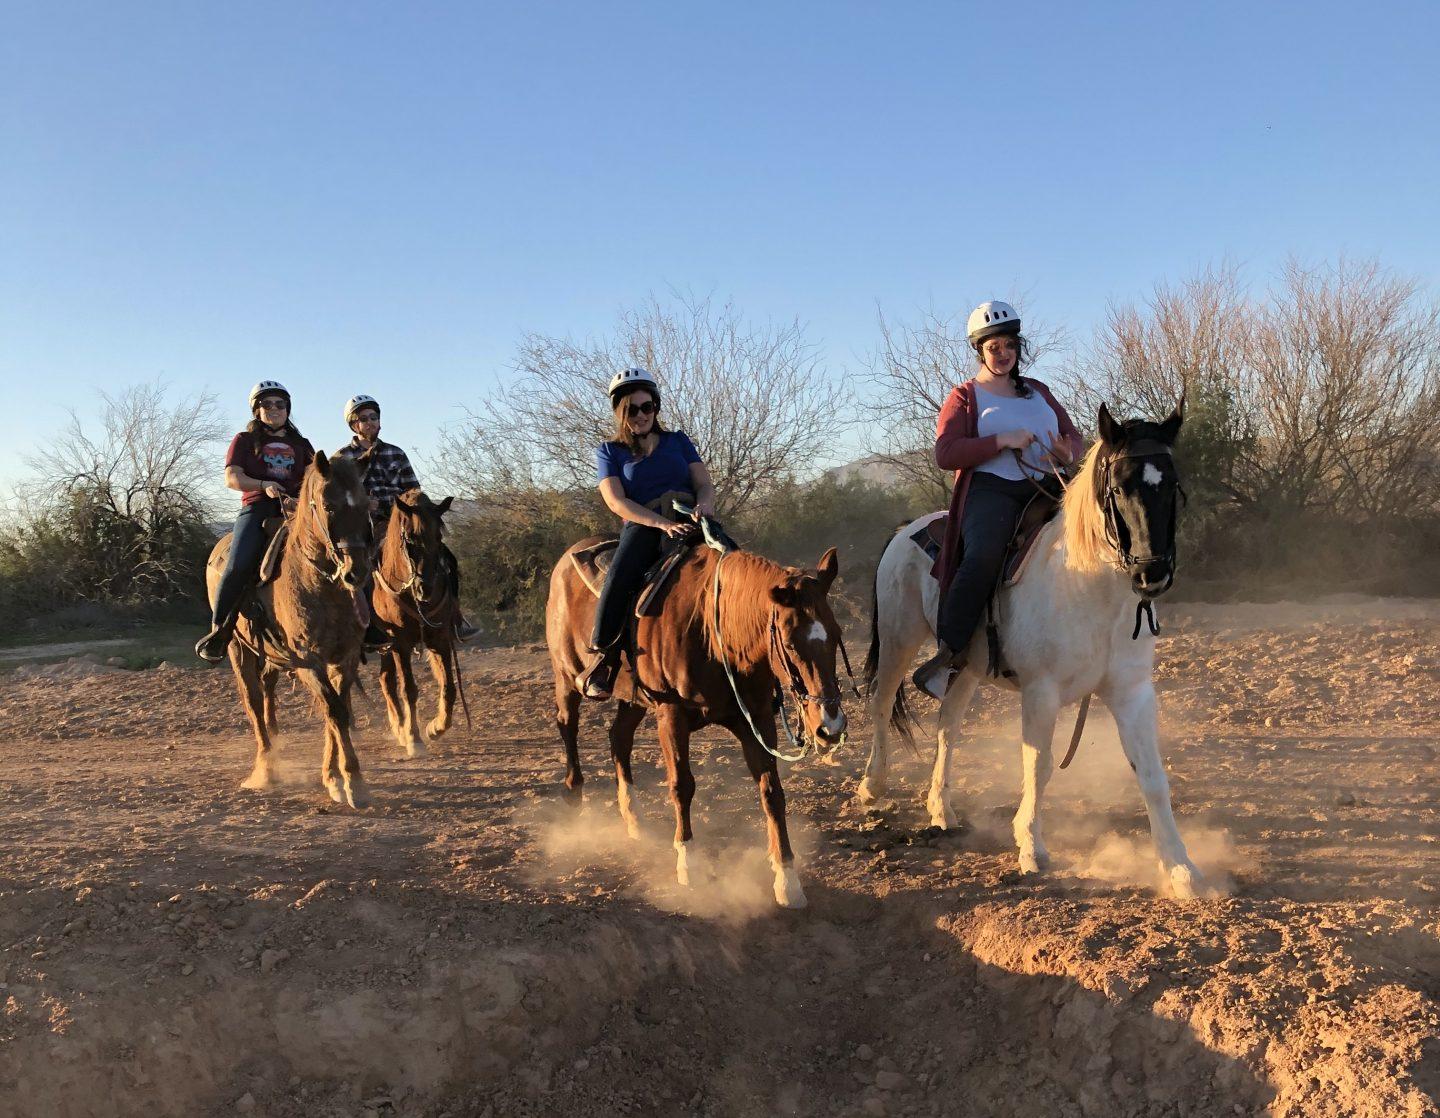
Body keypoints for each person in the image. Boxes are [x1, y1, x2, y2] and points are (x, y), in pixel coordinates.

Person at [912, 301, 1086, 699]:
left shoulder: (1039, 391)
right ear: (980, 351)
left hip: (1049, 485)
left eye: (1010, 344)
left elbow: (1072, 436)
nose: (1003, 353)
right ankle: (949, 657)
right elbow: (946, 453)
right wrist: (1000, 441)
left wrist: (1067, 453)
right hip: (993, 489)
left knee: (1103, 534)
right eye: (994, 347)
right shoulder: (965, 397)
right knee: (983, 557)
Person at [578, 367, 717, 701]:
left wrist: (705, 506)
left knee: (736, 563)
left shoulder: (678, 441)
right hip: (644, 523)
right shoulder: (610, 452)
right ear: (620, 413)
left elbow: (704, 483)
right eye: (632, 409)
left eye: (646, 408)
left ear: (655, 408)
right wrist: (660, 523)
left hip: (689, 517)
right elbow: (616, 500)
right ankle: (605, 657)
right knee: (621, 575)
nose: (640, 415)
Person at [335, 394, 478, 642]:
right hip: (362, 524)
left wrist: (394, 506)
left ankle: (455, 617)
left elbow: (413, 491)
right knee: (360, 565)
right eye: (363, 418)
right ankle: (366, 627)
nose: (370, 422)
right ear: (353, 424)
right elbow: (337, 498)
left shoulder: (396, 453)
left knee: (444, 557)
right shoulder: (341, 459)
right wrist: (362, 504)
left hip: (399, 521)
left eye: (374, 417)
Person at [195, 381, 316, 663]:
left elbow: (316, 478)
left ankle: (362, 627)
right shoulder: (244, 440)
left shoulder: (302, 444)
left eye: (280, 404)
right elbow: (232, 477)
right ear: (256, 410)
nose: (274, 409)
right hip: (258, 508)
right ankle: (220, 631)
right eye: (267, 404)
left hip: (298, 512)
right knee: (238, 563)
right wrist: (264, 484)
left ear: (288, 409)